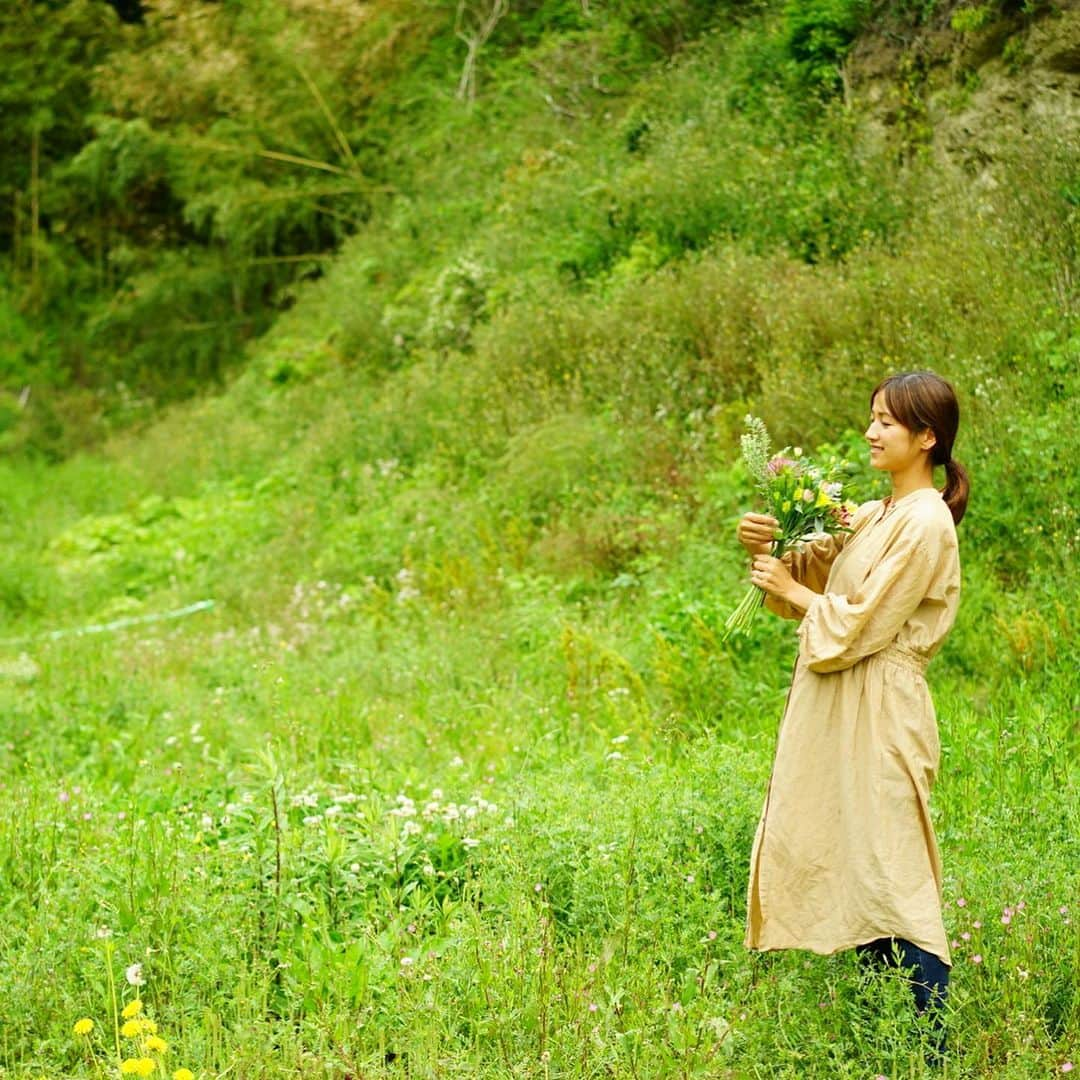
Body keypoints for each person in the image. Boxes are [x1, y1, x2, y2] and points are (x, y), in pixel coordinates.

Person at [736, 370, 970, 1065]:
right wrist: (769, 547)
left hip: (883, 707)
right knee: (855, 859)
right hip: (842, 700)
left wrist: (792, 592)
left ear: (927, 438)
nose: (871, 432)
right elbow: (808, 582)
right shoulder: (875, 514)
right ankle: (883, 1040)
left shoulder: (926, 523)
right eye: (871, 418)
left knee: (894, 867)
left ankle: (933, 1050)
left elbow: (862, 624)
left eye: (888, 423)